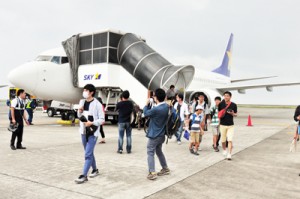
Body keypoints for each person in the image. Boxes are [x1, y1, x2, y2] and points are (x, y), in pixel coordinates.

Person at [75, 84, 105, 184]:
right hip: (83, 131)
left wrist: (92, 123)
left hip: (93, 132)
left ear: (91, 92)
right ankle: (95, 169)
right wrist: (79, 111)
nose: (84, 92)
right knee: (89, 152)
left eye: (86, 90)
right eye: (84, 90)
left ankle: (84, 175)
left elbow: (102, 119)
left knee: (87, 154)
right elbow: (79, 116)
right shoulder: (82, 102)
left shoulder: (97, 104)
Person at [143, 88, 170, 180]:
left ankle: (152, 172)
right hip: (162, 134)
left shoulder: (156, 109)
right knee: (159, 151)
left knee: (150, 152)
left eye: (154, 95)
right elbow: (155, 110)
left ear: (156, 97)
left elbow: (146, 113)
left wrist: (146, 104)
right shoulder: (166, 106)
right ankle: (165, 168)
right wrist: (153, 104)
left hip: (154, 135)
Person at [219, 91, 237, 160]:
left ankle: (229, 154)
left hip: (230, 125)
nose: (226, 97)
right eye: (225, 95)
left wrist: (233, 113)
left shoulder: (234, 105)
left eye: (227, 96)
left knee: (230, 140)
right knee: (223, 140)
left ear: (230, 97)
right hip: (222, 125)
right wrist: (218, 123)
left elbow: (236, 114)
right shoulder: (221, 104)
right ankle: (224, 150)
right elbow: (219, 114)